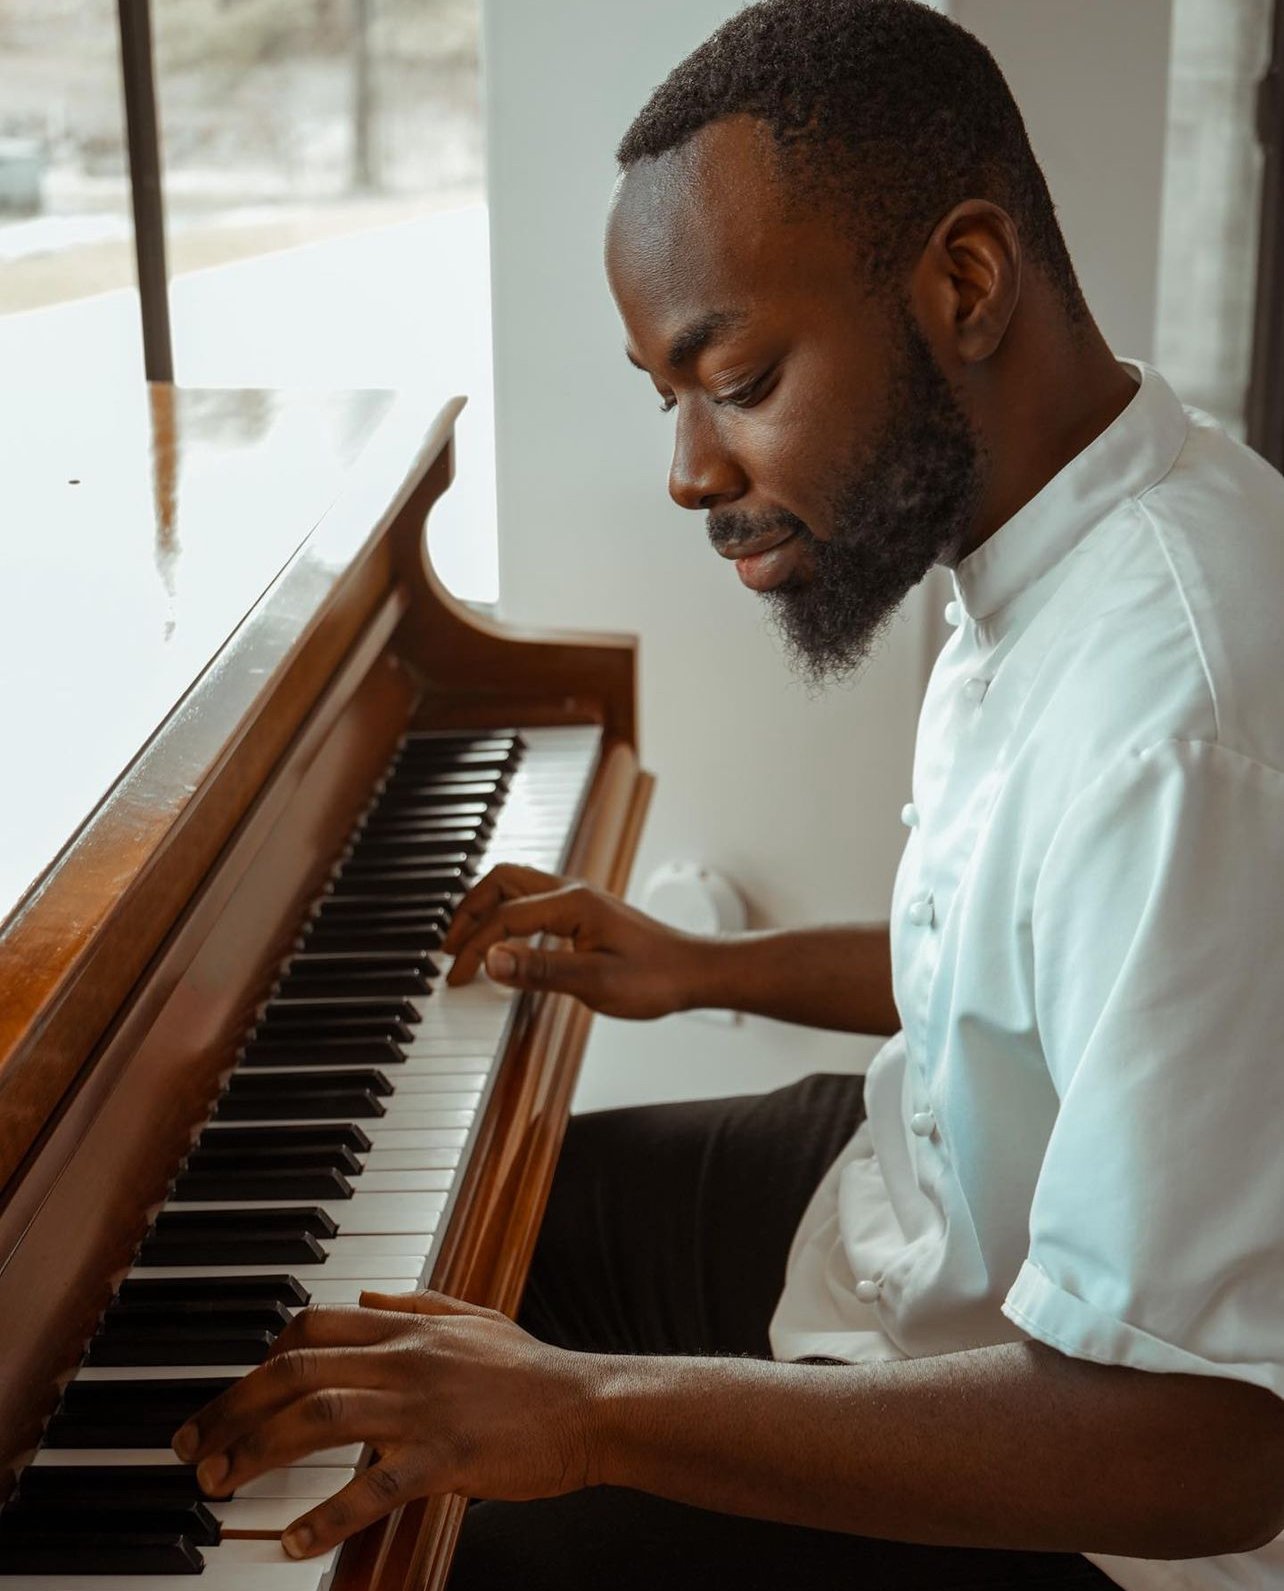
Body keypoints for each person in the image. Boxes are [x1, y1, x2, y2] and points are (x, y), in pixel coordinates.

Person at [171, 2, 1284, 1587]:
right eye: (662, 396)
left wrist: (594, 1413)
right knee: (403, 1284)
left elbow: (1203, 1450)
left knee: (416, 1557)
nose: (690, 471)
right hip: (901, 1215)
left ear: (965, 283)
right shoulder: (1069, 527)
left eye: (738, 376)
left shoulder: (1180, 714)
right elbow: (1036, 967)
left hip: (1073, 1491)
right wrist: (699, 970)